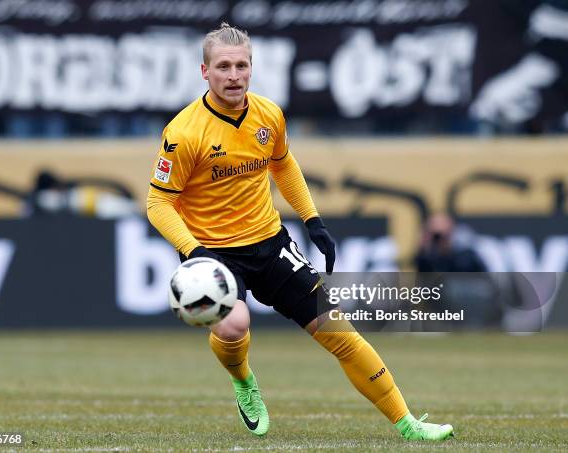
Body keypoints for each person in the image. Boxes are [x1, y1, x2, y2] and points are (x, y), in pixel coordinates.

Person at [147, 23, 453, 441]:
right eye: (223, 67)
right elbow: (158, 203)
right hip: (212, 252)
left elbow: (283, 165)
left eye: (241, 65)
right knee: (234, 326)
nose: (233, 75)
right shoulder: (183, 134)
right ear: (205, 72)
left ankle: (409, 424)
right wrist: (195, 250)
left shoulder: (268, 114)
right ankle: (243, 382)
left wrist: (312, 220)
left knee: (339, 331)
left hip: (271, 243)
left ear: (252, 67)